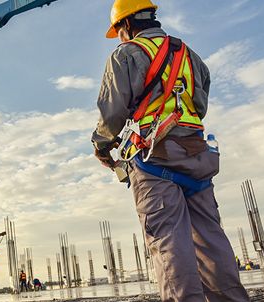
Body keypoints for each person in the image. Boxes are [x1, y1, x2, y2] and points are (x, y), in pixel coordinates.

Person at [91, 1, 249, 301]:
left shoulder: (126, 54)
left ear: (126, 26)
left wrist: (101, 145)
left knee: (169, 243)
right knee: (211, 240)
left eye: (120, 31)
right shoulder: (189, 54)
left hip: (155, 159)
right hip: (197, 155)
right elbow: (199, 105)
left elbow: (112, 114)